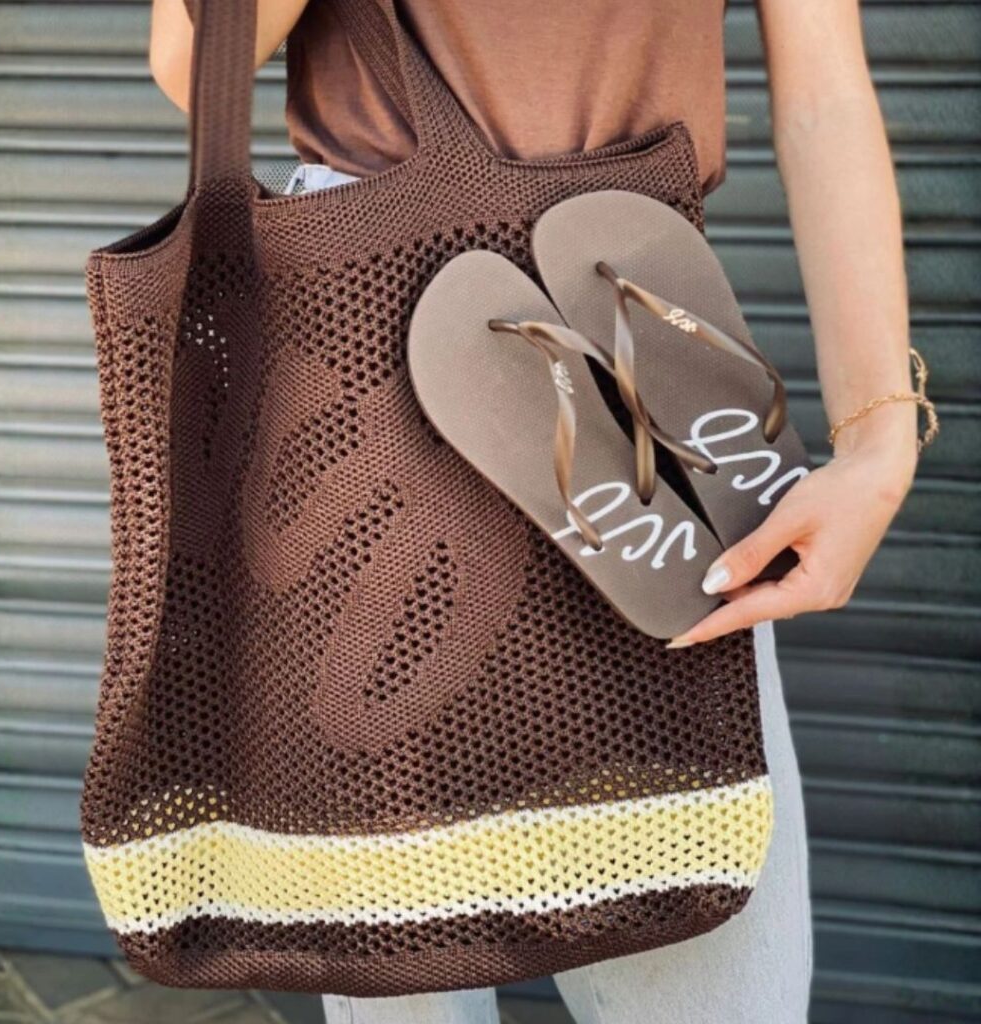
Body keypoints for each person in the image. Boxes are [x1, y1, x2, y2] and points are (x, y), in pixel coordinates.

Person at [149, 1, 923, 1020]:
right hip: (370, 329)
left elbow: (822, 91)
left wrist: (880, 438)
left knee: (715, 957)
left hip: (629, 325)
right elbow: (189, 59)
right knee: (401, 966)